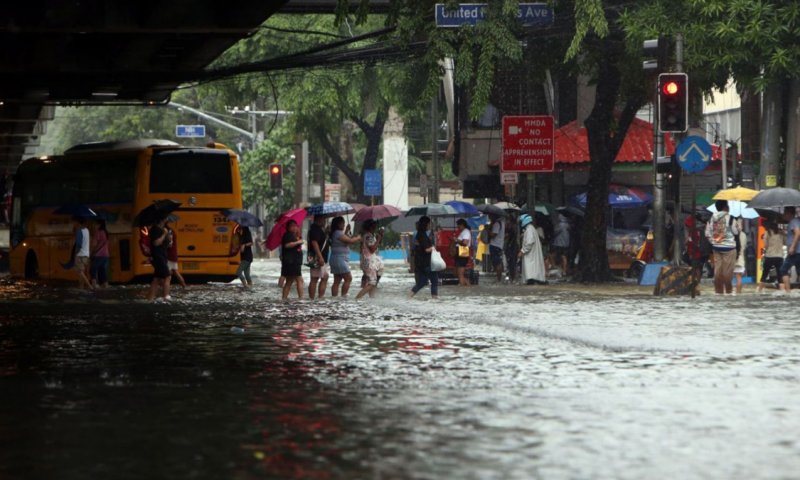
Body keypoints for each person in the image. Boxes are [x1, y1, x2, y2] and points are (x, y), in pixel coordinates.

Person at [705, 200, 739, 295]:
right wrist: (738, 225)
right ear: (725, 207)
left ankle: (718, 292)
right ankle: (728, 292)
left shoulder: (712, 218)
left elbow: (707, 233)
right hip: (729, 248)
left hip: (716, 247)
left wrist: (713, 241)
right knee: (727, 272)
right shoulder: (731, 218)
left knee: (718, 270)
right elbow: (736, 232)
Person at [329, 216, 361, 297]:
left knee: (337, 280)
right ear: (338, 224)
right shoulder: (338, 233)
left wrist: (346, 230)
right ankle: (343, 296)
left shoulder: (336, 233)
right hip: (339, 259)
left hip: (337, 258)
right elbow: (350, 241)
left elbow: (345, 241)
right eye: (342, 223)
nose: (344, 224)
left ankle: (335, 298)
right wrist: (358, 237)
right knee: (348, 278)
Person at [409, 216, 438, 299]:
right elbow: (426, 249)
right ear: (426, 224)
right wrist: (433, 248)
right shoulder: (422, 235)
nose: (430, 225)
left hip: (422, 262)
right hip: (426, 262)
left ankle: (409, 296)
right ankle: (435, 299)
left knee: (423, 282)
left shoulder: (420, 234)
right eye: (429, 223)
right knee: (434, 280)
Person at [355, 220, 385, 299]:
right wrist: (378, 239)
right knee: (372, 283)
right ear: (371, 227)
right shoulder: (368, 236)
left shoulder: (368, 235)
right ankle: (357, 299)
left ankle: (372, 299)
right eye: (374, 226)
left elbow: (376, 245)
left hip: (367, 261)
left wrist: (380, 237)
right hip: (369, 262)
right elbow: (372, 249)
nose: (376, 227)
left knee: (372, 282)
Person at [146, 216, 171, 301]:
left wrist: (168, 237)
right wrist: (164, 234)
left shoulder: (163, 229)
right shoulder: (155, 229)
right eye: (166, 217)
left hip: (162, 256)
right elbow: (156, 243)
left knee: (156, 279)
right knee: (167, 276)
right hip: (158, 257)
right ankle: (166, 297)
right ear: (162, 219)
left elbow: (166, 244)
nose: (167, 219)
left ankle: (150, 298)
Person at [757, 220, 786, 293]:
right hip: (779, 256)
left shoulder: (767, 233)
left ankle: (759, 290)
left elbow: (765, 245)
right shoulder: (781, 232)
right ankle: (783, 290)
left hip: (769, 256)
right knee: (780, 274)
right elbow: (784, 242)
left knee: (765, 273)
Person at [518, 213, 547, 285]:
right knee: (532, 269)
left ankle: (532, 280)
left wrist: (522, 251)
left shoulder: (529, 230)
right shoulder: (531, 229)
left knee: (530, 271)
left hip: (530, 256)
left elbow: (529, 242)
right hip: (532, 255)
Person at [280, 219, 305, 300]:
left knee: (290, 282)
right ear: (288, 227)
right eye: (292, 226)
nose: (294, 228)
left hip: (293, 262)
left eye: (295, 226)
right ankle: (301, 299)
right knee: (299, 280)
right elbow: (287, 245)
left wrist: (298, 239)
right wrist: (298, 242)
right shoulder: (288, 235)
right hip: (292, 262)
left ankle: (284, 298)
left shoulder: (293, 235)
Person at [307, 215, 330, 299]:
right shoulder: (315, 229)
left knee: (319, 277)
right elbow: (315, 243)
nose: (325, 221)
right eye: (324, 218)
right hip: (317, 257)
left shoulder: (316, 229)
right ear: (319, 219)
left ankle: (315, 298)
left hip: (316, 256)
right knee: (317, 278)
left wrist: (326, 232)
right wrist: (320, 257)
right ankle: (316, 298)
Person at [779, 207, 800, 294]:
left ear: (789, 213)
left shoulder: (793, 221)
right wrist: (785, 233)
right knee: (799, 271)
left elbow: (798, 233)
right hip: (798, 251)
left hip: (795, 251)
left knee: (783, 270)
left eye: (785, 212)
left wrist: (792, 247)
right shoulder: (796, 221)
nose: (783, 215)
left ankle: (788, 292)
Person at [165, 219, 186, 290]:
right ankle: (184, 286)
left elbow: (169, 244)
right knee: (175, 271)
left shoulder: (168, 231)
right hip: (173, 254)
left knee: (166, 274)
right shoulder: (171, 230)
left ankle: (166, 289)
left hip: (169, 255)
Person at [73, 217, 92, 290]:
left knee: (80, 272)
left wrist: (75, 254)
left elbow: (78, 244)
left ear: (78, 223)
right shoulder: (87, 230)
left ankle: (90, 286)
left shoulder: (79, 231)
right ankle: (81, 287)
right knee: (82, 273)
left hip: (80, 254)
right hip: (86, 254)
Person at [90, 219, 110, 288]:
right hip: (106, 255)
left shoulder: (98, 232)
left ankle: (94, 284)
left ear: (100, 224)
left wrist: (92, 252)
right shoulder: (105, 232)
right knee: (102, 271)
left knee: (93, 268)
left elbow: (96, 244)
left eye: (96, 224)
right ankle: (105, 285)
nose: (95, 226)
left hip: (99, 255)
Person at [454, 218, 472, 286]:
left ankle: (464, 287)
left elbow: (465, 243)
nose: (458, 227)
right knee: (457, 273)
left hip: (463, 253)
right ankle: (466, 284)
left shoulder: (466, 232)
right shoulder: (463, 232)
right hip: (460, 253)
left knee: (460, 274)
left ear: (462, 225)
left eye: (458, 225)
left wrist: (456, 240)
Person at [488, 213, 505, 282]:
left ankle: (498, 279)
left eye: (490, 216)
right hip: (499, 245)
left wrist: (487, 230)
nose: (489, 217)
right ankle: (498, 278)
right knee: (497, 262)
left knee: (497, 262)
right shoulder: (502, 223)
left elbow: (493, 235)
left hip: (495, 245)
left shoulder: (497, 224)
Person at [732, 218, 747, 295]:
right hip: (740, 258)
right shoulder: (744, 235)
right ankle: (739, 293)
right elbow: (744, 246)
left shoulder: (732, 234)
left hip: (732, 257)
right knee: (739, 277)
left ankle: (728, 292)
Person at [504, 213, 519, 282]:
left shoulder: (512, 228)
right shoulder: (513, 227)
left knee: (511, 262)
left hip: (512, 247)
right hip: (512, 247)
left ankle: (512, 277)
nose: (506, 222)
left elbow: (509, 237)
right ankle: (512, 277)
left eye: (507, 220)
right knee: (511, 262)